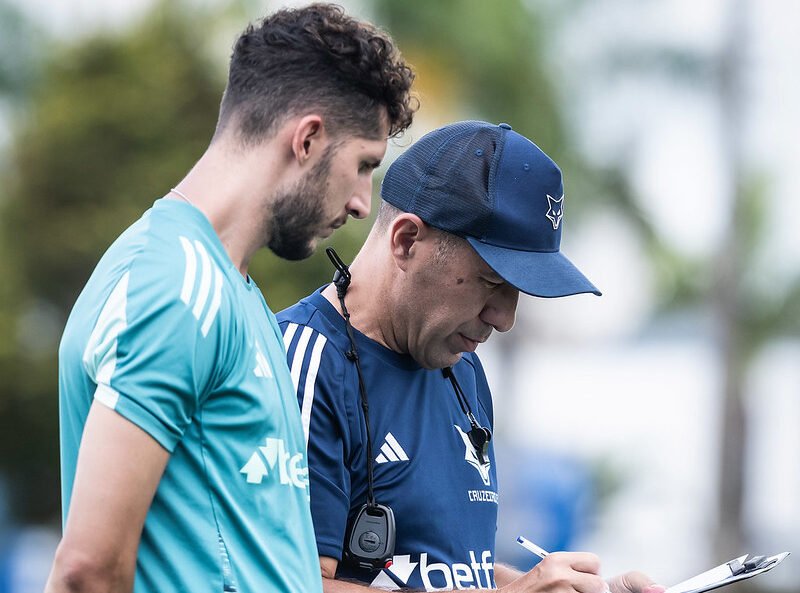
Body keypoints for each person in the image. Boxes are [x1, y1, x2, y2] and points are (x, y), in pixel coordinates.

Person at [45, 4, 415, 593]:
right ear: (309, 139)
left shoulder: (232, 290)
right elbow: (88, 569)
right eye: (364, 165)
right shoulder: (174, 286)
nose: (362, 204)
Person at [278, 121, 663, 592]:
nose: (505, 319)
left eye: (518, 291)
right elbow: (286, 583)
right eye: (491, 281)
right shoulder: (303, 362)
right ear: (406, 242)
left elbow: (445, 570)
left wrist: (559, 587)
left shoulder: (463, 371)